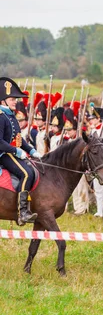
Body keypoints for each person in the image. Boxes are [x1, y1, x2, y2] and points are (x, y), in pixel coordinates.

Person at [0, 78, 42, 225]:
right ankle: (22, 212)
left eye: (15, 99)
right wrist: (17, 152)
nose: (15, 102)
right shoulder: (1, 117)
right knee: (26, 173)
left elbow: (19, 139)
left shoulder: (11, 116)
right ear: (3, 101)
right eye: (12, 99)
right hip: (3, 154)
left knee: (33, 168)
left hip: (11, 152)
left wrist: (31, 150)